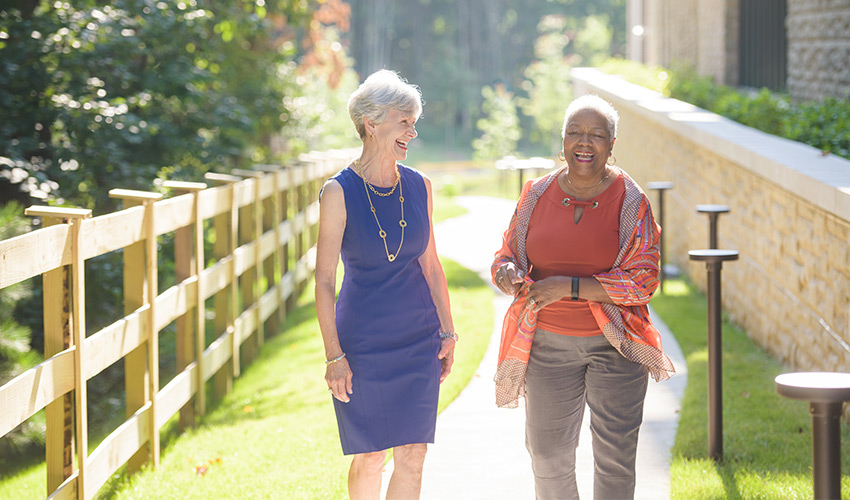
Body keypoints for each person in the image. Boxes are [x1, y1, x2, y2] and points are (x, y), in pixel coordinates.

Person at [491, 94, 675, 500]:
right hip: (547, 346)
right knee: (547, 454)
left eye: (596, 134)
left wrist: (569, 287)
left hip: (615, 346)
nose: (584, 142)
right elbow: (508, 253)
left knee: (614, 458)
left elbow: (642, 279)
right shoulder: (536, 194)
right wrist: (505, 271)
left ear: (612, 145)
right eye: (575, 132)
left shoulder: (631, 200)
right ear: (562, 143)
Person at [314, 69, 457, 500]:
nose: (412, 131)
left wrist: (448, 330)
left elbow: (431, 265)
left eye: (414, 122)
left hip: (418, 337)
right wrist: (333, 354)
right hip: (363, 343)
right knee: (372, 454)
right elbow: (323, 281)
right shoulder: (338, 192)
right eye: (404, 121)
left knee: (413, 453)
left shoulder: (420, 186)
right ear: (371, 123)